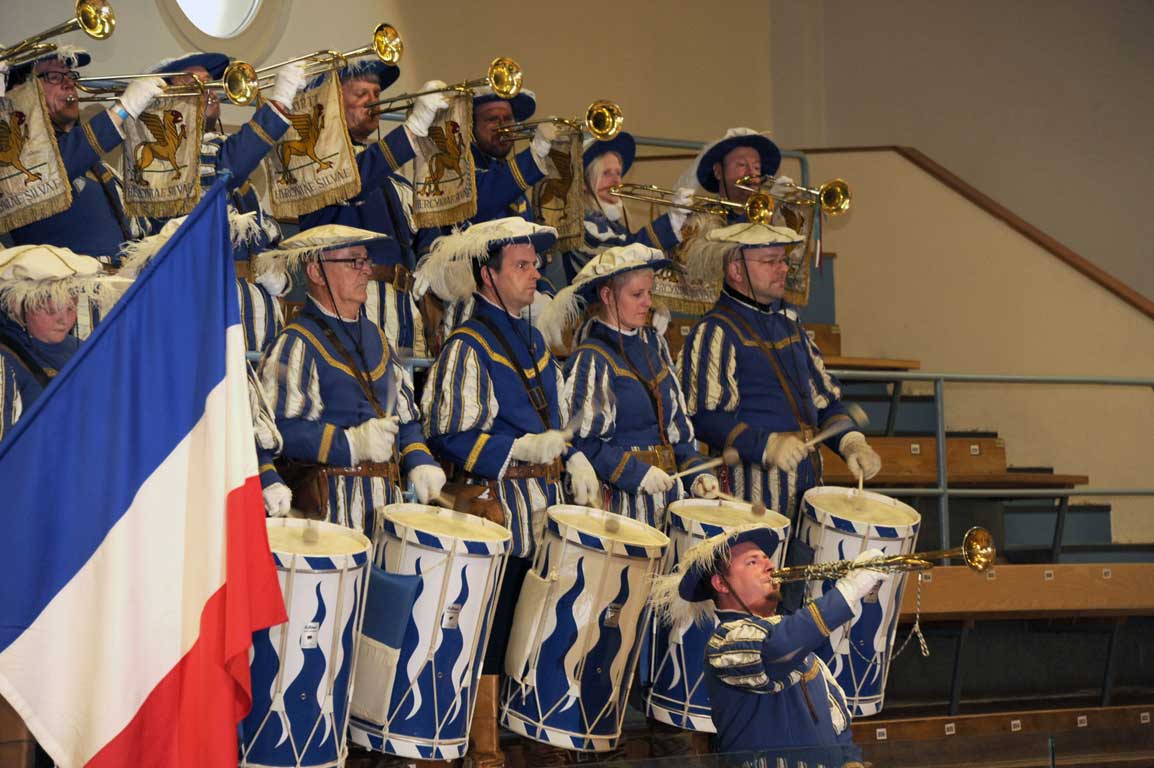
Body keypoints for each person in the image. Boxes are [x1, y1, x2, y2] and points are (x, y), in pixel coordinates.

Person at [417, 216, 599, 767]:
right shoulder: (467, 344)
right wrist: (517, 450)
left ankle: (540, 734)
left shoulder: (534, 339)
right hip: (498, 509)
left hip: (546, 508)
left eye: (534, 263)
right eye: (521, 265)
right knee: (493, 632)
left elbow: (558, 419)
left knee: (543, 623)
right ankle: (486, 746)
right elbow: (448, 431)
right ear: (487, 276)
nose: (535, 273)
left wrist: (575, 454)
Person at [678, 221, 881, 525]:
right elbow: (705, 418)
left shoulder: (790, 326)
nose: (783, 269)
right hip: (750, 501)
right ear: (736, 269)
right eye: (770, 262)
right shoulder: (714, 331)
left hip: (806, 492)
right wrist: (766, 445)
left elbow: (825, 404)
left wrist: (851, 441)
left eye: (783, 260)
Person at [257, 225, 446, 535]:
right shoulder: (296, 342)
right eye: (354, 262)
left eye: (366, 261)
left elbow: (405, 418)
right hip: (327, 521)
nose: (367, 272)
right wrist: (351, 444)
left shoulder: (378, 338)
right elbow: (282, 429)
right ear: (316, 271)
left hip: (386, 512)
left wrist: (419, 458)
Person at [653, 524, 882, 767]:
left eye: (766, 559)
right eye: (752, 562)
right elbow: (776, 648)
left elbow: (837, 720)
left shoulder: (804, 651)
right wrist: (847, 591)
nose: (770, 566)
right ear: (721, 584)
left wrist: (850, 761)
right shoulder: (724, 642)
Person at [540, 243, 718, 528]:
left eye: (649, 293)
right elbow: (585, 443)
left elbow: (677, 435)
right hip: (620, 509)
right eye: (637, 294)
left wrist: (696, 472)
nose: (647, 302)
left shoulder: (655, 347)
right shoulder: (593, 358)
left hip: (668, 503)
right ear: (607, 295)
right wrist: (637, 473)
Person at [148, 53, 307, 352]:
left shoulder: (220, 149)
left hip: (256, 319)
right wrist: (282, 99)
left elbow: (258, 228)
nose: (209, 90)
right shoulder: (174, 165)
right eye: (193, 83)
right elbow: (229, 166)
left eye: (209, 83)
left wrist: (272, 267)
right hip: (205, 317)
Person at [297, 58, 449, 355]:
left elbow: (420, 229)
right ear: (334, 104)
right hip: (355, 310)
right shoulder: (318, 167)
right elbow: (356, 178)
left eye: (377, 94)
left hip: (402, 311)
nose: (373, 102)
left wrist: (431, 258)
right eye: (361, 94)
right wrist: (413, 130)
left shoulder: (391, 177)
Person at [5, 48, 164, 261]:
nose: (69, 83)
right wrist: (124, 108)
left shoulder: (96, 165)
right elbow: (55, 165)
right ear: (21, 92)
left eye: (70, 75)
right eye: (53, 76)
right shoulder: (17, 165)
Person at [545, 132, 694, 289]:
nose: (617, 181)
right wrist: (669, 224)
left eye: (618, 173)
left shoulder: (615, 226)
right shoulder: (582, 226)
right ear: (583, 183)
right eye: (607, 173)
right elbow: (618, 261)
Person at [0, 243, 116, 407]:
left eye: (70, 308)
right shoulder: (6, 360)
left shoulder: (81, 348)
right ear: (18, 308)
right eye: (51, 311)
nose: (64, 320)